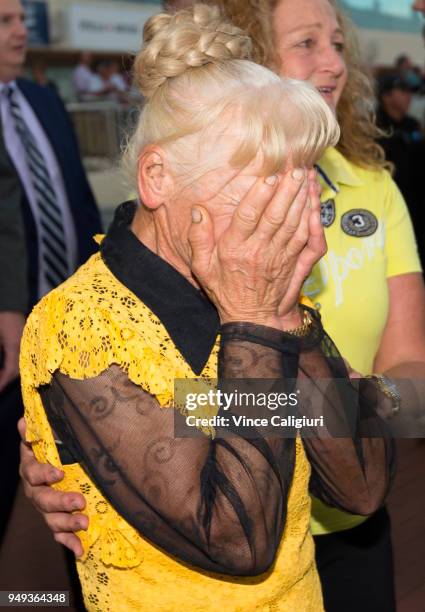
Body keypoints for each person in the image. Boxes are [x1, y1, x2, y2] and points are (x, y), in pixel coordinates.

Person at [19, 0, 425, 610]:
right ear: (157, 178)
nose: (291, 212)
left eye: (300, 180)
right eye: (264, 178)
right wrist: (258, 327)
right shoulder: (84, 320)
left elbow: (363, 485)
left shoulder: (256, 284)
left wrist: (284, 317)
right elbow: (237, 538)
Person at [0, 0, 101, 548]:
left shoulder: (43, 98)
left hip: (72, 338)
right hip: (6, 341)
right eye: (5, 22)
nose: (22, 31)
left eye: (20, 18)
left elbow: (79, 201)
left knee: (80, 492)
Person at [376, 73, 425, 264]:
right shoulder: (374, 128)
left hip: (417, 210)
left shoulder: (413, 125)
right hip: (389, 211)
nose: (408, 96)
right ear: (386, 95)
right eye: (402, 91)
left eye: (410, 92)